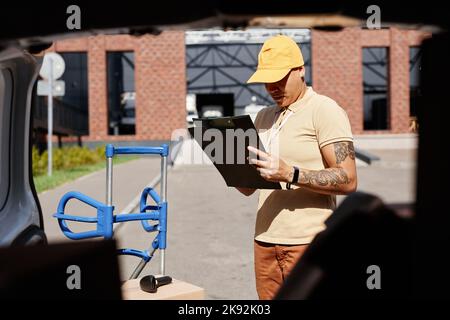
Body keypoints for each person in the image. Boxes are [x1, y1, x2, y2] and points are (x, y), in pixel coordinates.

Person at [236, 35, 357, 300]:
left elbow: (348, 178)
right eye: (267, 80)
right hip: (264, 238)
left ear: (301, 70)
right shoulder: (263, 116)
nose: (272, 87)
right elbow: (247, 188)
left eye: (279, 78)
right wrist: (231, 167)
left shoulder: (325, 110)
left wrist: (290, 173)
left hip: (308, 241)